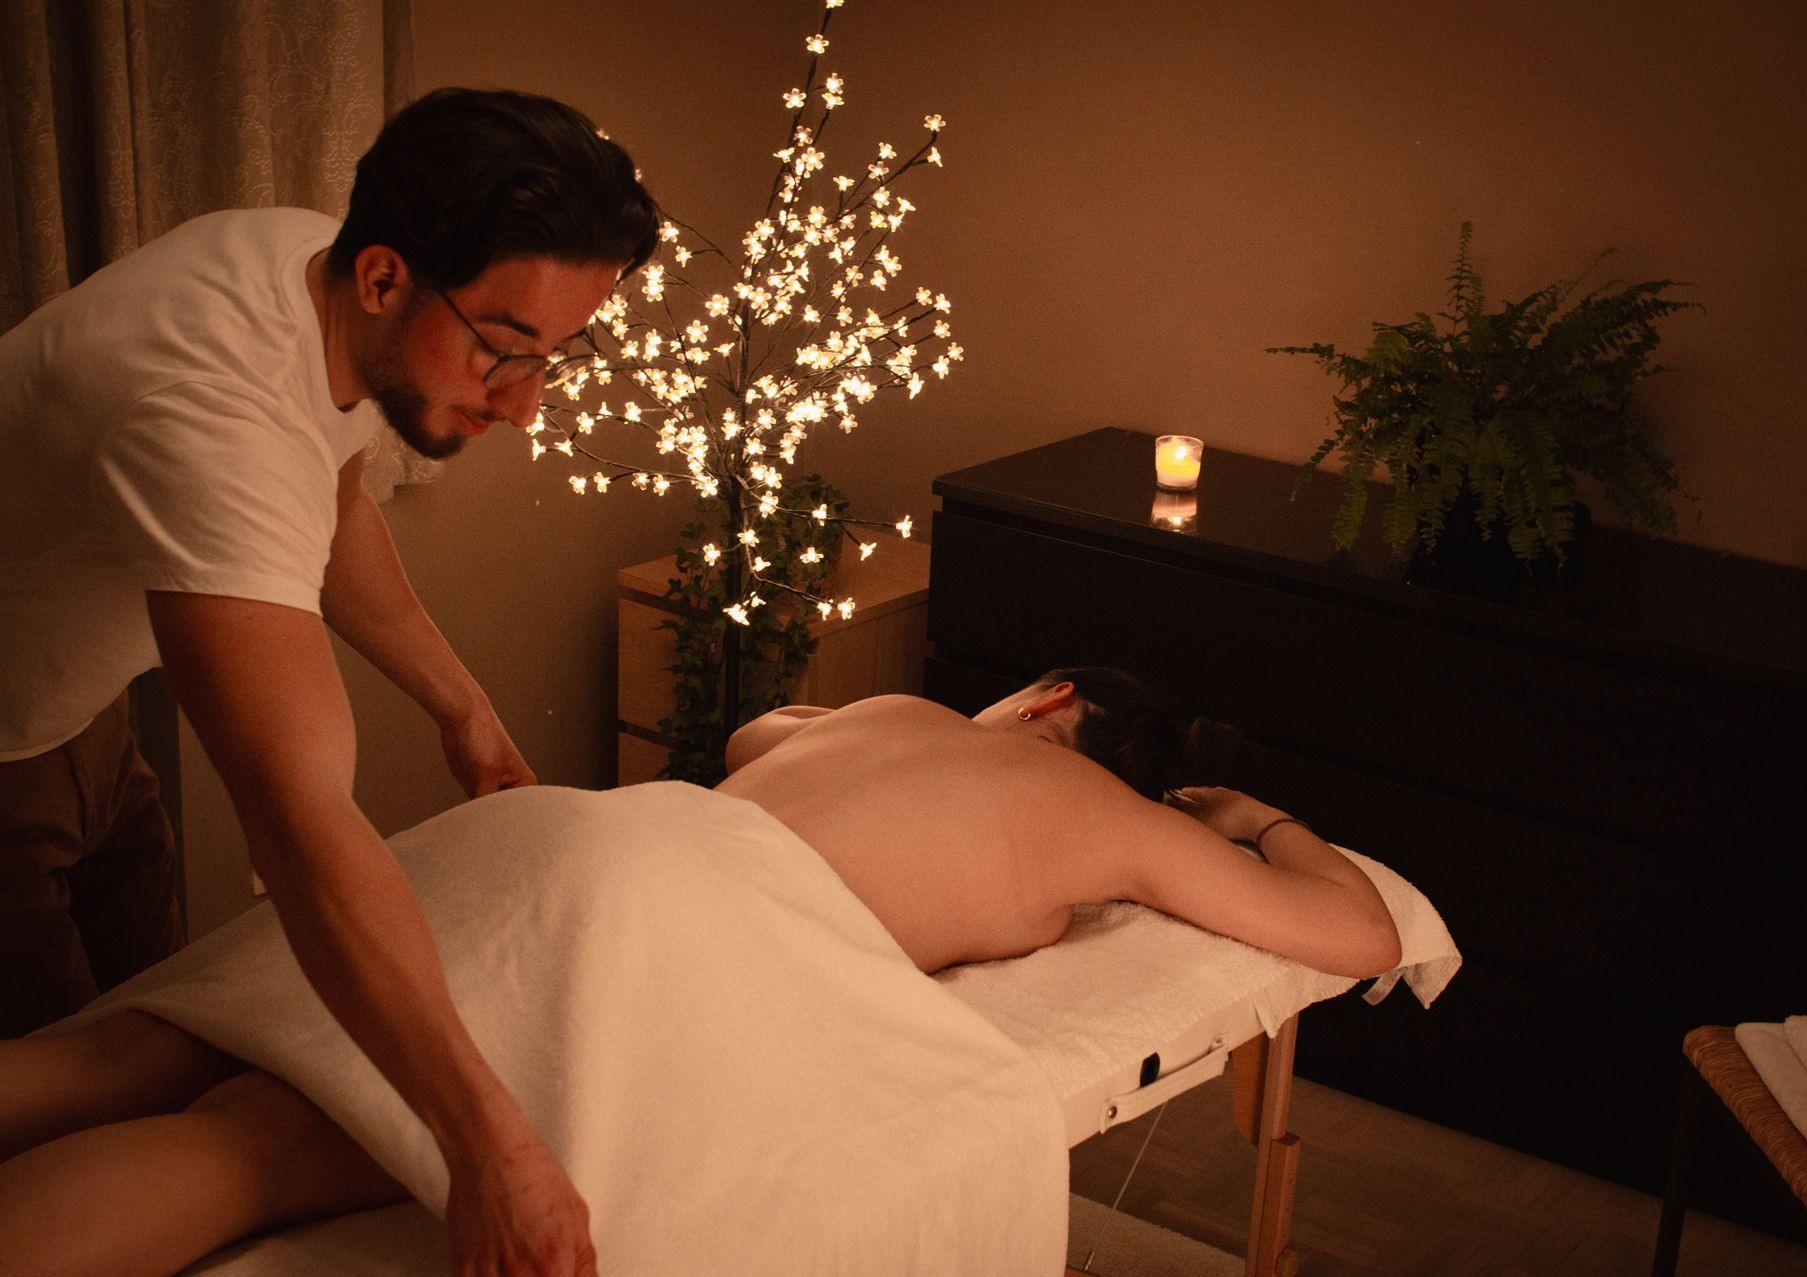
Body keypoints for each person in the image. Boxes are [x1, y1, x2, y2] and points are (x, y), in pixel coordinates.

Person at [0, 670, 1399, 1275]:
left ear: (1045, 702)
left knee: (147, 1049)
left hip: (570, 835)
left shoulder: (887, 717)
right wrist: (1247, 823)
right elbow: (1360, 932)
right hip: (670, 920)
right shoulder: (1113, 823)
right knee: (256, 1149)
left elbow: (753, 732)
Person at [0, 88, 659, 1275]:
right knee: (68, 1105)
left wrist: (460, 704)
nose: (524, 403)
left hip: (79, 717)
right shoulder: (206, 408)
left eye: (554, 357)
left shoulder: (315, 265)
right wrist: (492, 1151)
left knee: (169, 1040)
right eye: (504, 352)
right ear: (384, 280)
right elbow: (300, 824)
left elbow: (332, 493)